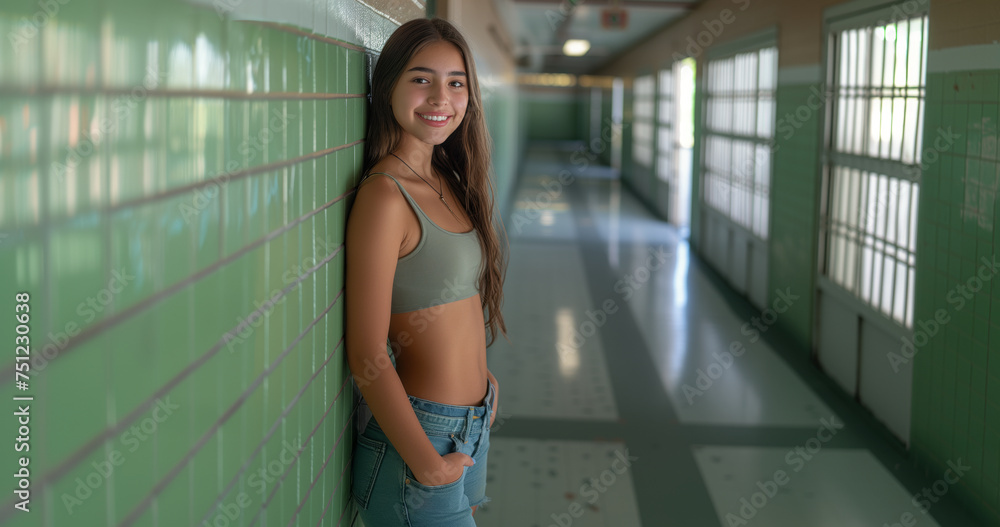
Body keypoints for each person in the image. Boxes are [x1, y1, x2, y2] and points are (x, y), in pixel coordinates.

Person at [345, 17, 507, 527]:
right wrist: (426, 463)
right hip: (421, 438)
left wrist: (482, 384)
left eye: (455, 83)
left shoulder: (445, 178)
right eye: (421, 79)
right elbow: (367, 352)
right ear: (387, 85)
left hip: (468, 425)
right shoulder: (385, 196)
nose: (441, 97)